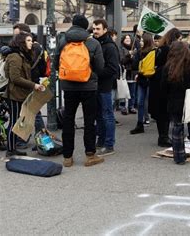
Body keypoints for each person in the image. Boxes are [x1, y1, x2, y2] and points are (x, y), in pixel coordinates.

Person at [56, 14, 105, 167]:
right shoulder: (93, 43)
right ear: (85, 27)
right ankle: (90, 155)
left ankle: (67, 157)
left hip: (69, 87)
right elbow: (100, 66)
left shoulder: (63, 41)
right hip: (89, 87)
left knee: (68, 120)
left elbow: (57, 61)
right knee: (89, 120)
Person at [4, 32, 45, 157]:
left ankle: (13, 147)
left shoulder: (22, 55)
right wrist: (34, 85)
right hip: (15, 95)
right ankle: (10, 150)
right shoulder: (15, 57)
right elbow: (15, 78)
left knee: (20, 121)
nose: (31, 42)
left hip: (22, 94)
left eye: (31, 40)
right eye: (28, 40)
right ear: (21, 42)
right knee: (14, 122)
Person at [148, 28, 183, 147]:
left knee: (160, 112)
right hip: (163, 82)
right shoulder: (169, 49)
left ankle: (162, 136)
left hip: (156, 81)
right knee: (164, 111)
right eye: (179, 38)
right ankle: (163, 137)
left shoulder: (161, 48)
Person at [92, 19, 120, 157]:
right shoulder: (95, 44)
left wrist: (95, 74)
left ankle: (109, 145)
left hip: (105, 87)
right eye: (94, 29)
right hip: (96, 87)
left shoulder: (110, 47)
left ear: (105, 30)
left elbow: (113, 68)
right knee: (99, 116)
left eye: (97, 29)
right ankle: (101, 141)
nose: (95, 31)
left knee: (107, 116)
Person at [130, 33, 155, 134]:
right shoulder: (139, 52)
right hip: (142, 80)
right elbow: (134, 66)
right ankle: (140, 123)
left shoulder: (154, 51)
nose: (140, 42)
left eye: (142, 41)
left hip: (151, 79)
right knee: (140, 102)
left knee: (148, 101)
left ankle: (150, 118)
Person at [120, 34, 137, 115]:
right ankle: (123, 107)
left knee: (132, 92)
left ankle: (131, 106)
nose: (128, 39)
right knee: (124, 92)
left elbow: (136, 61)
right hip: (125, 73)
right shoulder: (122, 49)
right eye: (126, 38)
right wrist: (128, 55)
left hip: (133, 73)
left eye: (129, 38)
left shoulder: (134, 49)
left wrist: (133, 56)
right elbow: (122, 61)